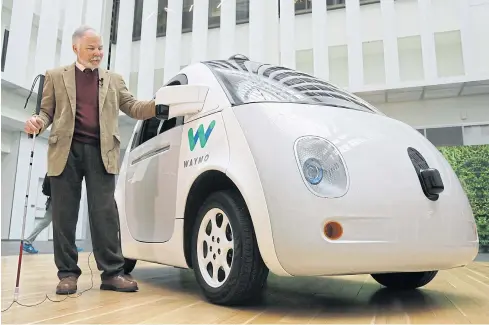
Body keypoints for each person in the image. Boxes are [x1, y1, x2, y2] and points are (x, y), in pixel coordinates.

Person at [23, 25, 157, 295]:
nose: (97, 53)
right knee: (64, 216)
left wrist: (158, 105)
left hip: (101, 152)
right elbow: (46, 113)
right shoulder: (55, 76)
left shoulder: (114, 79)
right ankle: (67, 274)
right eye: (91, 48)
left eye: (100, 48)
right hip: (66, 152)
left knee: (104, 215)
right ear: (76, 49)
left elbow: (133, 107)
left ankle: (112, 273)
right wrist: (37, 122)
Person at [23, 174, 83, 254]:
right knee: (53, 223)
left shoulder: (53, 172)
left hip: (55, 200)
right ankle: (27, 242)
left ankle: (69, 246)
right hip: (58, 201)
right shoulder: (59, 174)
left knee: (60, 224)